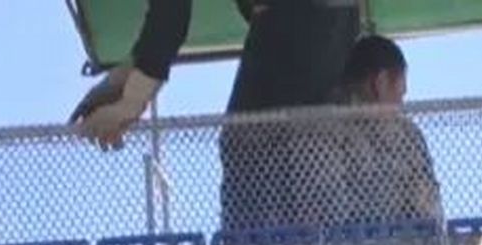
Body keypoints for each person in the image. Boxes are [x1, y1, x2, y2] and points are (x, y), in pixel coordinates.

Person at [70, 0, 361, 233]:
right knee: (305, 143)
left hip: (295, 25)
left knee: (252, 147)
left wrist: (134, 96)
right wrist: (127, 77)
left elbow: (170, 15)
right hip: (328, 26)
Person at [320, 35, 441, 230]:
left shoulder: (316, 127)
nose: (400, 106)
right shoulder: (407, 137)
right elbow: (429, 211)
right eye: (400, 94)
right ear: (381, 83)